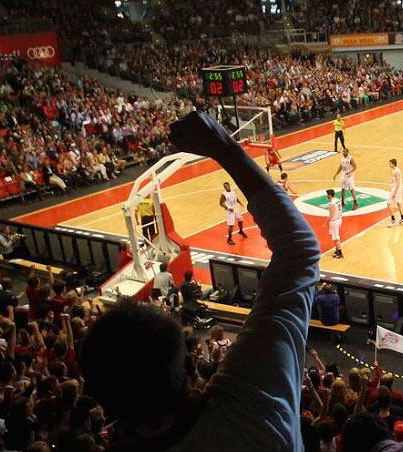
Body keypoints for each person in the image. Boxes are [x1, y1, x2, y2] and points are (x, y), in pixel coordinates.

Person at [80, 111, 321, 450]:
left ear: (103, 405)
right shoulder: (251, 407)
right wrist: (223, 147)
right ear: (191, 364)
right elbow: (299, 251)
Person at [326, 189, 344, 259]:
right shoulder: (337, 200)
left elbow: (331, 215)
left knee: (336, 238)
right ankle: (337, 250)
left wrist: (325, 223)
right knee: (333, 234)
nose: (326, 195)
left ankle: (340, 253)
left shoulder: (331, 204)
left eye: (327, 194)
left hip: (334, 222)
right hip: (339, 219)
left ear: (330, 195)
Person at [387, 159, 403, 227]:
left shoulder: (396, 171)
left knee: (389, 203)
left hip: (396, 189)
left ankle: (393, 220)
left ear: (393, 164)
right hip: (398, 188)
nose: (389, 165)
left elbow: (398, 183)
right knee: (399, 203)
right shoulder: (395, 170)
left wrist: (394, 193)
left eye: (390, 163)